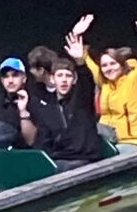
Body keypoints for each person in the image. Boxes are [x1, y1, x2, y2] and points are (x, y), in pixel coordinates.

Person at [73, 12, 137, 151]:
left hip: (133, 142)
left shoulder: (135, 79)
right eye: (104, 65)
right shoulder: (104, 83)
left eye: (113, 64)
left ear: (122, 65)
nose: (109, 68)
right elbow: (87, 63)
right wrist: (76, 35)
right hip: (107, 140)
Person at [24, 30, 102, 171]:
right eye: (60, 76)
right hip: (59, 160)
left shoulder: (81, 100)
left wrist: (80, 61)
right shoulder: (47, 107)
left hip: (85, 159)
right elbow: (44, 140)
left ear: (74, 79)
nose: (64, 80)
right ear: (53, 79)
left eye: (68, 76)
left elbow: (86, 81)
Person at [0, 57, 38, 149]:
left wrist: (23, 111)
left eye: (15, 75)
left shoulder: (35, 103)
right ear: (2, 80)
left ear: (24, 78)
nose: (10, 81)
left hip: (23, 155)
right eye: (6, 76)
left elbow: (31, 141)